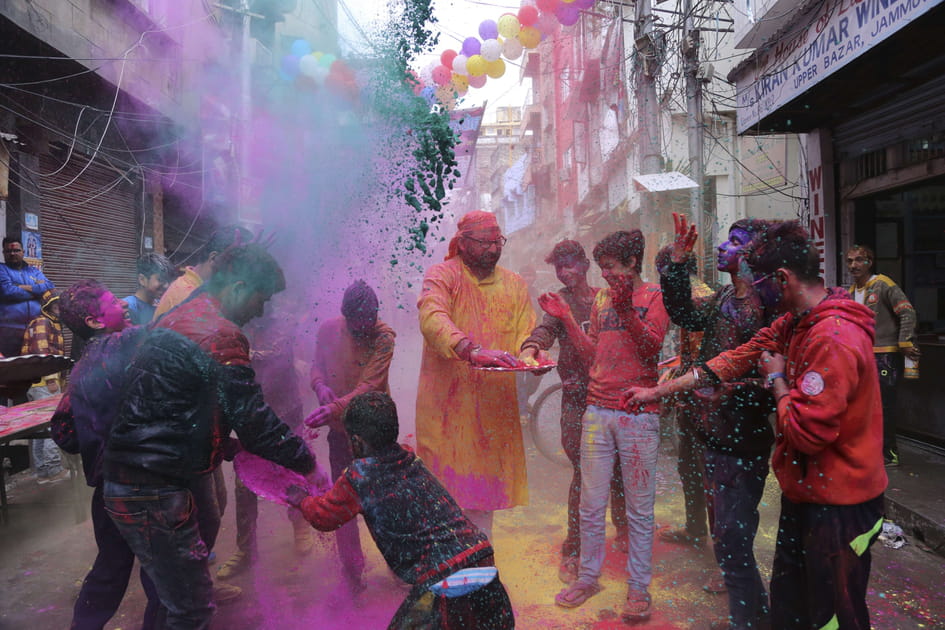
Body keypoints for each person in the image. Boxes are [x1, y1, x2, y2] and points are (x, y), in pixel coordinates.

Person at [626, 220, 887, 630]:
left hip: (840, 503)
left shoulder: (832, 337)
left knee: (835, 613)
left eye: (762, 280)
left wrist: (776, 379)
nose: (760, 291)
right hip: (806, 491)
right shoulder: (794, 321)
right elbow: (740, 355)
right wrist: (659, 392)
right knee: (791, 604)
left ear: (781, 279)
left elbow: (806, 432)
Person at [102, 244, 316, 629]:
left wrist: (225, 445)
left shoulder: (181, 315)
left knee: (173, 601)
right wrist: (310, 466)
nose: (261, 311)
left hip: (134, 478)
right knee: (191, 610)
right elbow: (255, 421)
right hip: (153, 486)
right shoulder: (220, 335)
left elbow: (174, 403)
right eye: (261, 299)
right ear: (238, 287)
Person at [288, 391, 515, 630]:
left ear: (356, 441)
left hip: (444, 576)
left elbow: (323, 517)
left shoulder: (359, 477)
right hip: (479, 554)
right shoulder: (408, 456)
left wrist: (301, 499)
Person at [545, 230, 669, 623]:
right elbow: (592, 353)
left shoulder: (653, 297)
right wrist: (566, 318)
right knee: (591, 504)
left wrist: (626, 310)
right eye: (603, 269)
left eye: (612, 268)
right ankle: (587, 577)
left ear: (632, 264)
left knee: (637, 510)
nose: (607, 275)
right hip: (596, 410)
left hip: (637, 413)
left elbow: (651, 348)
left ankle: (638, 588)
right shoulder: (600, 299)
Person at [659, 214, 775, 630]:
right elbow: (682, 314)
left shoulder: (769, 305)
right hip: (713, 431)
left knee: (734, 537)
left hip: (745, 437)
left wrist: (736, 390)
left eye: (734, 242)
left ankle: (751, 619)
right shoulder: (723, 298)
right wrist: (675, 265)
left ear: (754, 254)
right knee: (728, 537)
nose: (723, 248)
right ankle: (750, 615)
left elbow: (779, 377)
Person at [415, 210, 536, 539]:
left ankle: (480, 573)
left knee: (482, 505)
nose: (493, 249)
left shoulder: (514, 284)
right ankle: (442, 572)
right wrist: (470, 350)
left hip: (491, 415)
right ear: (463, 244)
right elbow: (431, 317)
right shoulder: (443, 276)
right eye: (484, 242)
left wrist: (530, 356)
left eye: (497, 241)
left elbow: (525, 334)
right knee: (442, 500)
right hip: (445, 415)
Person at [50, 279, 161, 630]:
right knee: (162, 576)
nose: (124, 305)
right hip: (141, 485)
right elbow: (170, 325)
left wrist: (96, 441)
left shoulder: (83, 364)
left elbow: (63, 433)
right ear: (95, 322)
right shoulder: (122, 345)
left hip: (107, 490)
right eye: (115, 302)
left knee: (110, 569)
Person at [518, 239, 628, 584]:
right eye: (559, 268)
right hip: (577, 401)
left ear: (584, 265)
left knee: (621, 468)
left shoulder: (604, 297)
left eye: (570, 265)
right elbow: (544, 330)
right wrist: (531, 349)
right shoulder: (558, 303)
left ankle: (623, 530)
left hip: (610, 397)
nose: (565, 273)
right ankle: (573, 550)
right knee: (584, 474)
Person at [303, 279, 396, 593]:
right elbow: (316, 365)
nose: (363, 329)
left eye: (369, 322)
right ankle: (352, 573)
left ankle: (399, 566)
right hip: (341, 433)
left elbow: (370, 385)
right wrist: (320, 387)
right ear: (345, 317)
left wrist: (334, 408)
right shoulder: (329, 330)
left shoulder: (384, 338)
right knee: (343, 501)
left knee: (381, 504)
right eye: (357, 324)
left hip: (374, 433)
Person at [215, 298, 314, 582]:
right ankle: (246, 550)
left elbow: (275, 355)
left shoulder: (284, 319)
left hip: (285, 411)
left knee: (292, 473)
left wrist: (232, 354)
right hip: (249, 415)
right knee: (243, 484)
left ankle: (300, 526)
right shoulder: (236, 325)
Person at [653, 245, 714, 552]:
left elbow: (701, 361)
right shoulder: (691, 295)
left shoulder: (698, 299)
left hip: (704, 401)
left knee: (704, 472)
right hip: (693, 399)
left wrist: (673, 389)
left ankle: (720, 549)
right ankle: (694, 529)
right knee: (689, 467)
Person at [846, 244, 919, 467]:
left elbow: (907, 311)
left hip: (884, 355)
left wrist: (904, 341)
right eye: (850, 261)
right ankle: (870, 452)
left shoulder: (883, 284)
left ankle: (890, 454)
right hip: (861, 358)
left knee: (883, 406)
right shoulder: (850, 293)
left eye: (859, 260)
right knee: (862, 407)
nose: (854, 265)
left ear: (870, 261)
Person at [152, 225, 252, 320]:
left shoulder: (200, 289)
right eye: (234, 260)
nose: (238, 269)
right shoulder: (188, 295)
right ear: (213, 258)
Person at [21, 290, 69, 484]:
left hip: (36, 382)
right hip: (43, 382)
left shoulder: (46, 322)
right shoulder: (43, 322)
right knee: (51, 425)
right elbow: (42, 352)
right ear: (48, 307)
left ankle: (42, 472)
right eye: (56, 305)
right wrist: (51, 379)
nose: (59, 309)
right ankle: (54, 469)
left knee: (40, 428)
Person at [0, 236, 55, 359]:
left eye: (16, 250)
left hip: (36, 329)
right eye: (9, 251)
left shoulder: (33, 271)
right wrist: (36, 290)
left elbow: (49, 286)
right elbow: (8, 291)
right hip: (9, 331)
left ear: (23, 252)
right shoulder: (1, 269)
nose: (13, 254)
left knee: (34, 367)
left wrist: (21, 286)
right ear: (3, 253)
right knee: (11, 367)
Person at [123, 253, 172, 325]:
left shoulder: (161, 305)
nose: (166, 285)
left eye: (167, 280)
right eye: (161, 279)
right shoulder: (128, 307)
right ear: (142, 280)